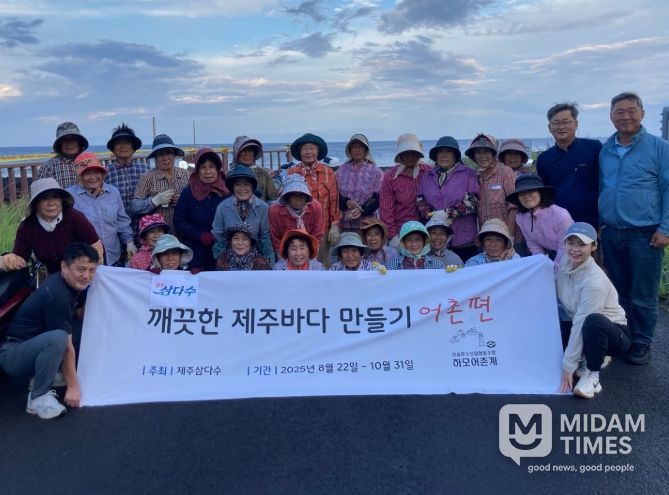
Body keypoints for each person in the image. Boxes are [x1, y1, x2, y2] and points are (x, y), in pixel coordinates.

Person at [599, 92, 669, 365]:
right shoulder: (606, 149)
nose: (625, 116)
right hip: (611, 231)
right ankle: (624, 337)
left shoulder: (659, 147)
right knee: (618, 290)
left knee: (643, 293)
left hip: (645, 233)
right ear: (611, 117)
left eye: (631, 110)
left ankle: (641, 341)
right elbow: (603, 187)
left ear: (642, 113)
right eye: (619, 112)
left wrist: (665, 228)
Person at [0, 242, 99, 419]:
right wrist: (73, 386)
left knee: (86, 328)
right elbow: (66, 344)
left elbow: (79, 314)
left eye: (92, 270)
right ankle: (38, 396)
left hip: (31, 346)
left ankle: (49, 373)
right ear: (64, 267)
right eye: (81, 269)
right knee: (59, 337)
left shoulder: (69, 285)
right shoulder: (57, 294)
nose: (86, 276)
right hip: (13, 355)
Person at [556, 223, 630, 399]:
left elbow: (581, 321)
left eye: (582, 244)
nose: (575, 249)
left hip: (615, 334)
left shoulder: (595, 282)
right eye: (571, 243)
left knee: (593, 321)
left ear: (594, 246)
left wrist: (568, 367)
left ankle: (592, 374)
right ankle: (585, 355)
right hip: (581, 323)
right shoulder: (566, 262)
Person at [0, 178, 103, 274]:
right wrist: (7, 261)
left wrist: (85, 273)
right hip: (53, 276)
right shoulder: (27, 226)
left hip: (84, 273)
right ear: (35, 203)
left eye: (55, 197)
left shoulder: (75, 217)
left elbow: (96, 248)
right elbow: (20, 257)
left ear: (61, 200)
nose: (51, 203)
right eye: (44, 198)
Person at [536, 102, 601, 228]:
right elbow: (545, 194)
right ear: (549, 127)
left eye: (566, 122)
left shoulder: (594, 148)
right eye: (556, 123)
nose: (561, 126)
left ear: (576, 124)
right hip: (559, 224)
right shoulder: (544, 159)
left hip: (593, 221)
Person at [417, 136, 479, 262]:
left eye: (448, 151)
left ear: (455, 155)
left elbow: (473, 201)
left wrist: (447, 213)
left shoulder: (469, 173)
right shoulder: (427, 176)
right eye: (440, 152)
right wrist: (431, 214)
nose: (444, 155)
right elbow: (420, 200)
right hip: (436, 240)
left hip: (463, 238)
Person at [67, 152, 136, 266]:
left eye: (96, 172)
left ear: (103, 174)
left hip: (113, 256)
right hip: (84, 260)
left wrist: (129, 242)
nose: (93, 177)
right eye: (87, 173)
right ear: (80, 176)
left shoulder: (113, 192)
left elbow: (122, 220)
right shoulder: (69, 196)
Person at [287, 133, 341, 266]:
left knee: (322, 265)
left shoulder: (328, 172)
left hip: (323, 228)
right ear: (300, 152)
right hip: (298, 227)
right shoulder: (292, 172)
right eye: (305, 148)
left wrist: (335, 225)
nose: (309, 152)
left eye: (312, 148)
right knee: (299, 264)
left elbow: (334, 200)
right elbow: (286, 201)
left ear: (318, 151)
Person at [174, 148, 229, 271]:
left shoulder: (226, 191)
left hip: (222, 249)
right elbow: (179, 220)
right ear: (197, 170)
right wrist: (200, 235)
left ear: (218, 169)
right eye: (203, 167)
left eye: (211, 167)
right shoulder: (189, 192)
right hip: (194, 249)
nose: (208, 172)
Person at [505, 174, 573, 270]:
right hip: (548, 257)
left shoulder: (561, 215)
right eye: (521, 193)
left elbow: (565, 247)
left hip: (571, 256)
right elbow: (532, 243)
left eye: (531, 191)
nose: (526, 196)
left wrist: (555, 270)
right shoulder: (520, 217)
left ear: (541, 193)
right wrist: (542, 264)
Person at [211, 166, 274, 262]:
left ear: (253, 186)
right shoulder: (222, 207)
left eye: (246, 184)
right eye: (237, 184)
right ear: (232, 187)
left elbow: (265, 237)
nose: (242, 188)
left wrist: (269, 261)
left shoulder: (263, 207)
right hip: (229, 259)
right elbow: (217, 234)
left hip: (255, 259)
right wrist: (221, 258)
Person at [380, 134, 432, 248]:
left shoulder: (429, 172)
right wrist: (393, 237)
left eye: (413, 152)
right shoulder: (390, 177)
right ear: (400, 155)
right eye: (406, 153)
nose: (410, 157)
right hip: (401, 234)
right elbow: (386, 210)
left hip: (427, 233)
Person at [130, 134, 190, 232]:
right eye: (160, 154)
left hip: (184, 232)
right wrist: (154, 201)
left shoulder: (186, 174)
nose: (165, 158)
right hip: (158, 235)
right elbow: (134, 207)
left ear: (175, 155)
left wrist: (184, 201)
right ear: (155, 158)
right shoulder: (148, 177)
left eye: (168, 153)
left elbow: (198, 202)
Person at [465, 134, 518, 244]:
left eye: (486, 151)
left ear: (494, 153)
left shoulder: (506, 172)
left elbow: (514, 207)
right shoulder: (475, 176)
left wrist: (510, 236)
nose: (482, 156)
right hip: (487, 238)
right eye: (478, 152)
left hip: (509, 238)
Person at [104, 123, 151, 234]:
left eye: (127, 143)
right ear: (113, 149)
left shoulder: (146, 169)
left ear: (133, 147)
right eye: (118, 143)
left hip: (145, 229)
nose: (123, 146)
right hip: (116, 230)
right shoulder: (105, 173)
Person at [336, 134, 383, 231]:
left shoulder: (375, 171)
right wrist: (346, 202)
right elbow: (335, 195)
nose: (357, 150)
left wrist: (362, 210)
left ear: (366, 150)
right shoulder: (341, 170)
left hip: (368, 226)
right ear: (350, 150)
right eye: (354, 147)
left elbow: (378, 198)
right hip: (344, 224)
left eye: (361, 147)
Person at [269, 174, 324, 255]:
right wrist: (282, 254)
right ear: (287, 196)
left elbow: (317, 233)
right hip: (284, 250)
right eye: (293, 195)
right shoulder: (274, 210)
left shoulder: (316, 207)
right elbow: (275, 236)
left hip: (309, 249)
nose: (298, 199)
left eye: (302, 195)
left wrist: (310, 252)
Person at [36, 122, 89, 189]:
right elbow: (40, 191)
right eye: (64, 140)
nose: (69, 143)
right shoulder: (49, 167)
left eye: (73, 139)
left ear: (80, 142)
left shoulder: (89, 161)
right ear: (59, 144)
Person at [230, 136, 278, 203]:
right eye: (243, 150)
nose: (247, 154)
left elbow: (273, 198)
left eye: (250, 150)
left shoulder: (264, 173)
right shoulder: (230, 174)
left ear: (254, 153)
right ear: (237, 153)